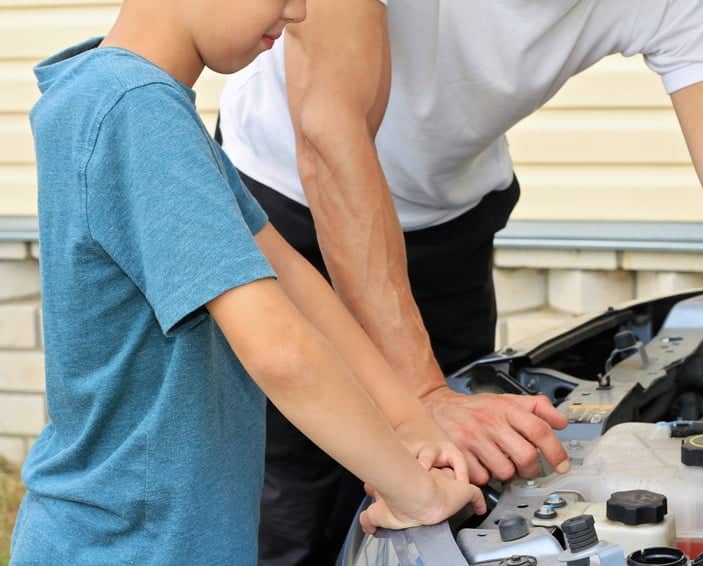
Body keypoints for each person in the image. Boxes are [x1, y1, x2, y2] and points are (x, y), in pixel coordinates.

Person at [218, 0, 703, 563]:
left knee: (456, 506)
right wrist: (420, 393)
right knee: (287, 522)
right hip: (282, 206)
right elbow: (331, 130)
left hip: (451, 227)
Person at [9, 0, 488, 563]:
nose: (301, 12)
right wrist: (416, 495)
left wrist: (411, 425)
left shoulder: (127, 98)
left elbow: (297, 285)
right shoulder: (134, 109)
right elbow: (281, 349)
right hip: (132, 545)